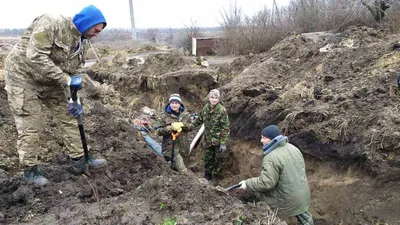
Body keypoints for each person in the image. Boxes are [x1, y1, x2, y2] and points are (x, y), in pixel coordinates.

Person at [3, 5, 108, 185]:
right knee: (31, 123)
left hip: (51, 81)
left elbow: (74, 73)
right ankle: (29, 171)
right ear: (85, 23)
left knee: (70, 116)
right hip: (23, 77)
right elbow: (35, 56)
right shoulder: (52, 23)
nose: (97, 34)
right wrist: (66, 80)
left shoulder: (81, 45)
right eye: (96, 29)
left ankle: (80, 159)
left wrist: (74, 99)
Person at [238, 125, 314, 225]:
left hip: (285, 201)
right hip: (302, 195)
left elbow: (267, 183)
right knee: (305, 218)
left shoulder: (271, 157)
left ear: (271, 139)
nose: (261, 140)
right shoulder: (293, 148)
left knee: (266, 213)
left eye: (264, 138)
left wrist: (247, 184)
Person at [187, 89, 230, 182]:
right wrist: (190, 127)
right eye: (212, 97)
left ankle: (216, 178)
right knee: (208, 158)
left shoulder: (222, 111)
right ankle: (207, 175)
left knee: (218, 159)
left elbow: (225, 128)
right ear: (209, 98)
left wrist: (223, 143)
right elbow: (199, 120)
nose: (214, 100)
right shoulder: (206, 108)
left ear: (218, 99)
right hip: (208, 140)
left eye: (216, 98)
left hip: (218, 141)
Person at [156, 94, 191, 172]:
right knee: (183, 171)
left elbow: (191, 127)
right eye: (172, 103)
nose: (174, 105)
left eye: (176, 103)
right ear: (169, 103)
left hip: (183, 146)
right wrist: (170, 128)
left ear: (180, 104)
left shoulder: (186, 115)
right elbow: (158, 131)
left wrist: (182, 125)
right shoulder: (163, 115)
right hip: (171, 147)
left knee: (179, 165)